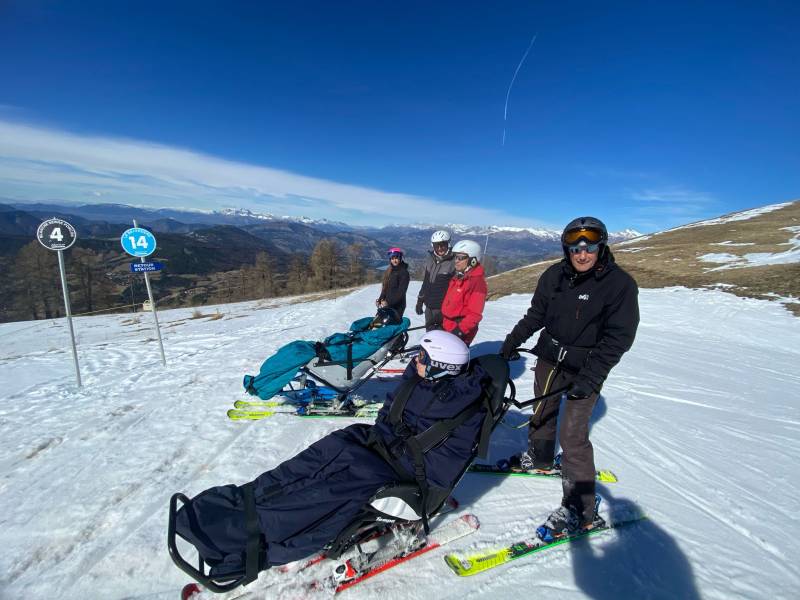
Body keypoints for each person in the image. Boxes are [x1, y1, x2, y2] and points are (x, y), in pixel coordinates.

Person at [173, 331, 483, 579]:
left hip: (404, 473)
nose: (415, 360)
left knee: (321, 490)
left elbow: (440, 465)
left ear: (443, 368)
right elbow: (394, 409)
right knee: (316, 459)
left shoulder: (460, 410)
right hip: (377, 444)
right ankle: (242, 503)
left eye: (423, 357)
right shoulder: (424, 380)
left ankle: (252, 540)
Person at [498, 216, 639, 536]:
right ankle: (540, 456)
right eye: (575, 247)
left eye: (589, 246)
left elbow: (618, 339)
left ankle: (581, 509)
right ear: (567, 249)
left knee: (573, 436)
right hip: (549, 358)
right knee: (542, 413)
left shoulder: (620, 285)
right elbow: (537, 314)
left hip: (586, 368)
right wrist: (512, 340)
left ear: (601, 247)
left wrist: (590, 379)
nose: (582, 253)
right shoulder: (554, 275)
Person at [440, 240, 487, 345]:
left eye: (460, 258)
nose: (456, 261)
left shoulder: (477, 282)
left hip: (459, 331)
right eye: (456, 257)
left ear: (472, 260)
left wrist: (459, 332)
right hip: (447, 326)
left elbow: (475, 314)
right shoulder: (459, 277)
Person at [415, 230, 456, 331]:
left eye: (443, 245)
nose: (440, 248)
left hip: (443, 309)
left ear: (448, 244)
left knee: (441, 337)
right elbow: (426, 283)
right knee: (429, 333)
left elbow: (456, 289)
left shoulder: (453, 262)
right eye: (436, 246)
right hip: (429, 306)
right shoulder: (431, 259)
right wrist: (420, 300)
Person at [376, 247, 410, 317]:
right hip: (387, 305)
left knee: (391, 327)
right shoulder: (389, 271)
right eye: (392, 258)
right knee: (378, 324)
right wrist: (379, 300)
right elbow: (385, 288)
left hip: (397, 307)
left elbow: (401, 292)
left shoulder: (404, 273)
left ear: (400, 258)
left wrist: (388, 303)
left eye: (396, 258)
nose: (394, 260)